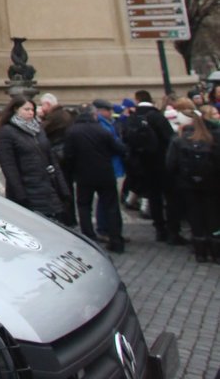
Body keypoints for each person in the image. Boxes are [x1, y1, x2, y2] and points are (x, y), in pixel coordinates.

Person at [63, 101, 127, 250]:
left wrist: (71, 173)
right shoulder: (102, 130)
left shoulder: (72, 131)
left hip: (83, 175)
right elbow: (118, 148)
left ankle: (88, 238)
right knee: (111, 206)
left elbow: (69, 156)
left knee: (84, 206)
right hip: (105, 173)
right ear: (94, 115)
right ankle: (116, 239)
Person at [164, 99, 220, 263]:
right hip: (211, 185)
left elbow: (170, 164)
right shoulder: (211, 138)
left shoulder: (178, 139)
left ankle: (200, 252)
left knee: (195, 217)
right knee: (213, 218)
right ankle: (216, 251)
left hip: (187, 185)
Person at [0, 97, 66, 219]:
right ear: (16, 109)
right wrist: (20, 193)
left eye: (32, 109)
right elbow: (8, 165)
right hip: (26, 186)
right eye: (26, 109)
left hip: (46, 186)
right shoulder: (7, 131)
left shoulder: (38, 129)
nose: (30, 112)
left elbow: (51, 157)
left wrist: (62, 187)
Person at [123, 90, 174, 242]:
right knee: (169, 196)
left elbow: (126, 139)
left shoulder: (132, 118)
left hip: (141, 164)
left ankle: (159, 229)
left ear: (137, 100)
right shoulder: (157, 117)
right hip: (161, 163)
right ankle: (172, 229)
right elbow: (169, 139)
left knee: (153, 197)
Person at [35, 93, 75, 222]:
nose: (41, 107)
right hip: (65, 156)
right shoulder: (63, 114)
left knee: (61, 188)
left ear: (47, 105)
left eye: (42, 105)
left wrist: (39, 118)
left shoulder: (54, 116)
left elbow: (39, 131)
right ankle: (69, 218)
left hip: (59, 157)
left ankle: (65, 218)